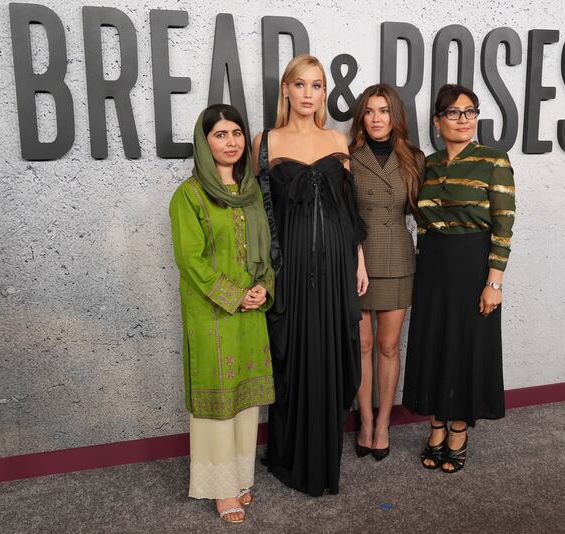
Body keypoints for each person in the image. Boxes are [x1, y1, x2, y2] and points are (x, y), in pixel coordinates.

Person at [252, 54, 368, 496]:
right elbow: (257, 210)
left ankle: (323, 454)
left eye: (316, 86)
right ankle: (289, 456)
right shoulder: (266, 141)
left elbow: (348, 209)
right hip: (291, 268)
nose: (308, 94)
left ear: (323, 93)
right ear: (285, 89)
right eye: (300, 85)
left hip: (337, 261)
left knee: (333, 351)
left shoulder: (337, 139)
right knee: (293, 354)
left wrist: (358, 260)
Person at [402, 84, 516, 473]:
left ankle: (459, 429)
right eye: (453, 113)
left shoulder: (494, 161)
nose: (463, 119)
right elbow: (421, 222)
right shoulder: (427, 165)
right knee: (434, 343)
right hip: (433, 265)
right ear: (437, 122)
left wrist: (494, 281)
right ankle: (436, 421)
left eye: (470, 112)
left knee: (468, 345)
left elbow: (504, 225)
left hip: (473, 266)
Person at [169, 104, 275, 523]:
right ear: (204, 141)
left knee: (245, 399)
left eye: (236, 134)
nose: (230, 142)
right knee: (217, 401)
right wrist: (235, 295)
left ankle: (239, 477)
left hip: (251, 311)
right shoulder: (189, 195)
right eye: (220, 135)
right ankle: (218, 487)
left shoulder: (250, 192)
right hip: (212, 312)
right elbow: (190, 261)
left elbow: (266, 249)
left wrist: (263, 286)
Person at [348, 83, 424, 461]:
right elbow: (343, 215)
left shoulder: (413, 157)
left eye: (384, 111)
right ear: (361, 116)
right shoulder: (347, 156)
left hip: (396, 258)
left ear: (396, 117)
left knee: (388, 346)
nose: (377, 118)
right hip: (357, 261)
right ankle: (363, 421)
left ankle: (383, 424)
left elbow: (423, 213)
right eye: (370, 111)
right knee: (360, 345)